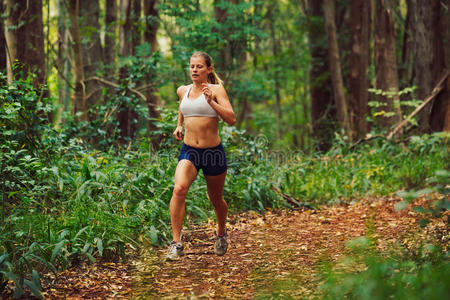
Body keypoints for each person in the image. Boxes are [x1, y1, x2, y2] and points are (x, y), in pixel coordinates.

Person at [167, 51, 236, 260]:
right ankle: (176, 243)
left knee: (216, 199)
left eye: (199, 66)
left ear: (209, 69)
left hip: (213, 153)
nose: (194, 70)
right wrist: (179, 125)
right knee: (179, 189)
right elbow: (183, 107)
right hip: (190, 151)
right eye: (192, 66)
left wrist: (211, 102)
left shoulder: (215, 90)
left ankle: (221, 233)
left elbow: (231, 119)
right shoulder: (183, 90)